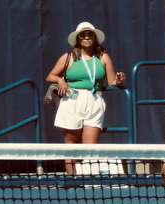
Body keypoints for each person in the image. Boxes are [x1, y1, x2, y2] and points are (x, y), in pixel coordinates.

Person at [45, 21, 125, 175]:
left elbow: (112, 81)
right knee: (71, 145)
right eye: (83, 35)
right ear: (78, 39)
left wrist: (119, 81)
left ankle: (88, 184)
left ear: (94, 38)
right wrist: (61, 80)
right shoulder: (67, 58)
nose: (87, 37)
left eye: (90, 34)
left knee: (90, 148)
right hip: (71, 101)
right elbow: (50, 76)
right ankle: (72, 181)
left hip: (94, 102)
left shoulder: (103, 57)